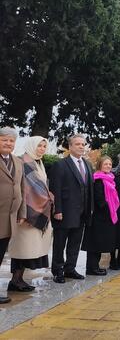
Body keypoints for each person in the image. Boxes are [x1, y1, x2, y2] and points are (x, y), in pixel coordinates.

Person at [8, 136, 53, 292]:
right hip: (26, 213)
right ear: (31, 146)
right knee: (21, 248)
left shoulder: (38, 163)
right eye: (39, 146)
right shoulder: (22, 161)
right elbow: (23, 189)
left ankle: (19, 279)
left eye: (44, 146)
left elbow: (42, 187)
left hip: (38, 210)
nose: (42, 149)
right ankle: (15, 280)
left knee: (30, 249)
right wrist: (24, 211)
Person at [49, 134, 93, 284]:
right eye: (78, 144)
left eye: (83, 144)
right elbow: (55, 189)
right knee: (60, 243)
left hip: (82, 213)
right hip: (64, 212)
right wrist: (57, 210)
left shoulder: (87, 164)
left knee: (75, 243)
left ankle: (70, 268)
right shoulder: (60, 165)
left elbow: (89, 189)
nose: (81, 146)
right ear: (70, 147)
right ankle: (58, 271)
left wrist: (90, 209)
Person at [0, 127, 26, 303]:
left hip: (9, 218)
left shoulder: (18, 161)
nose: (8, 144)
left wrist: (22, 212)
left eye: (11, 141)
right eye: (4, 140)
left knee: (1, 255)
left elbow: (22, 189)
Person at [82, 156, 117, 276]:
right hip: (98, 216)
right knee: (95, 244)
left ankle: (94, 266)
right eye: (105, 164)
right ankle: (92, 268)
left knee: (99, 243)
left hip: (105, 216)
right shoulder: (98, 179)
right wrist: (109, 208)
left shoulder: (110, 178)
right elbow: (99, 200)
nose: (108, 166)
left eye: (110, 164)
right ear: (100, 165)